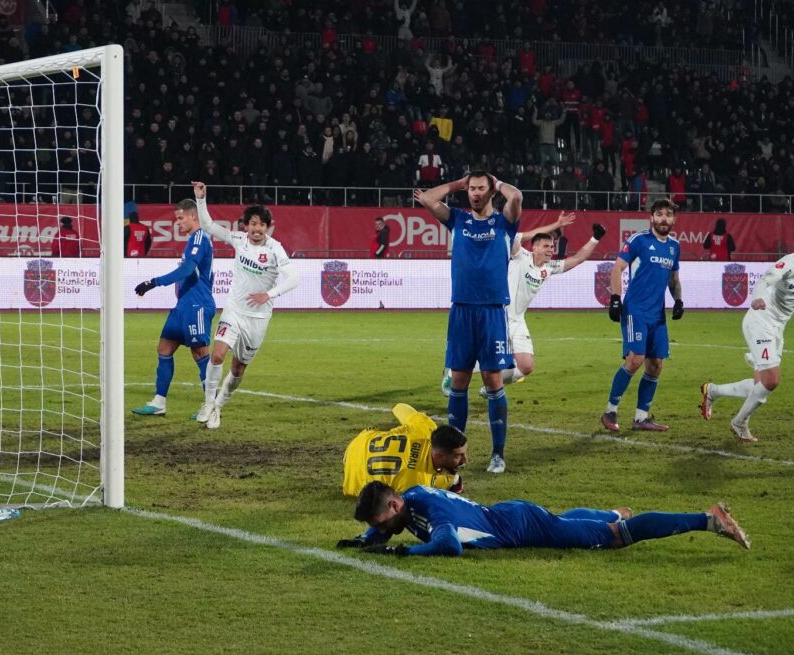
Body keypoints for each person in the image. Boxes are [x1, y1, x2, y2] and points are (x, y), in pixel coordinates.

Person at [416, 171, 523, 474]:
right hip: (461, 310)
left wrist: (496, 182)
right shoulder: (458, 220)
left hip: (491, 311)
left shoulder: (504, 222)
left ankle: (498, 455)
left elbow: (516, 197)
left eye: (481, 189)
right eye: (472, 189)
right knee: (459, 381)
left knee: (493, 381)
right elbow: (426, 198)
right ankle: (453, 453)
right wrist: (458, 184)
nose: (475, 193)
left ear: (491, 192)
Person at [340, 481, 750, 557]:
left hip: (523, 528)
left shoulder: (433, 514)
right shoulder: (408, 497)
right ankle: (609, 510)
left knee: (616, 537)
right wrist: (365, 539)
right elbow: (385, 525)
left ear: (395, 508)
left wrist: (404, 554)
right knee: (569, 523)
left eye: (382, 523)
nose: (383, 531)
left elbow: (447, 545)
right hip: (511, 514)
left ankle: (707, 520)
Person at [192, 181, 300, 429]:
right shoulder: (238, 240)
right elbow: (208, 226)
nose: (257, 229)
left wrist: (269, 294)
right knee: (217, 354)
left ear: (267, 227)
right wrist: (201, 198)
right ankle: (208, 403)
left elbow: (295, 278)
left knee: (238, 368)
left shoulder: (275, 249)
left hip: (258, 319)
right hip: (233, 311)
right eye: (253, 224)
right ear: (246, 226)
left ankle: (218, 406)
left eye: (262, 224)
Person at [489, 215, 605, 392]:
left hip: (518, 320)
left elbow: (578, 259)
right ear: (534, 248)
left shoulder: (550, 267)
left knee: (526, 366)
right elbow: (515, 236)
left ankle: (491, 386)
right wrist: (556, 225)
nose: (551, 249)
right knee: (489, 358)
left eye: (552, 246)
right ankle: (454, 373)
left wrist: (595, 238)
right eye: (546, 246)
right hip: (499, 316)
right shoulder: (521, 256)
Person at [602, 199, 684, 433]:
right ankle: (610, 411)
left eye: (668, 215)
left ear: (673, 220)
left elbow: (674, 279)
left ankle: (641, 418)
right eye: (659, 214)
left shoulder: (674, 247)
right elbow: (617, 267)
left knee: (656, 365)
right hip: (636, 310)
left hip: (658, 315)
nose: (664, 219)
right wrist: (615, 298)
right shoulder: (638, 240)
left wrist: (678, 299)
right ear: (652, 218)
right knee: (635, 359)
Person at [130, 198, 215, 416]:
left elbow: (187, 270)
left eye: (180, 218)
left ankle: (211, 406)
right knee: (164, 349)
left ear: (192, 216)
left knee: (200, 353)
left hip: (196, 305)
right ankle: (159, 402)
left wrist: (153, 282)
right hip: (183, 306)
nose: (177, 223)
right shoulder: (192, 240)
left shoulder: (199, 238)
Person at [700, 253, 794, 441]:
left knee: (761, 384)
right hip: (761, 319)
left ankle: (712, 391)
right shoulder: (789, 262)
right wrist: (758, 297)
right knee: (772, 380)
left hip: (777, 328)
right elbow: (765, 280)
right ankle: (739, 423)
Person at [342, 404, 467, 498]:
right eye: (459, 455)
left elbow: (398, 407)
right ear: (439, 456)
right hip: (353, 478)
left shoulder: (425, 428)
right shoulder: (420, 483)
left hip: (359, 442)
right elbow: (453, 481)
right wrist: (453, 479)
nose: (465, 459)